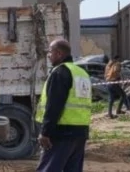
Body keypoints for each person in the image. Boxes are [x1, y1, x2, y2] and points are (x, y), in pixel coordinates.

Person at [35, 39, 92, 172]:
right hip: (80, 133)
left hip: (61, 134)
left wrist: (45, 132)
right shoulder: (82, 73)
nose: (48, 55)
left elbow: (54, 105)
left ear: (59, 54)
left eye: (50, 52)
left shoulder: (59, 72)